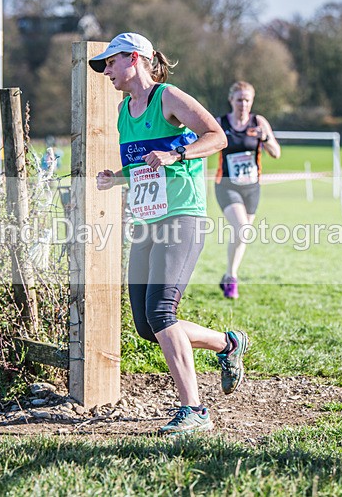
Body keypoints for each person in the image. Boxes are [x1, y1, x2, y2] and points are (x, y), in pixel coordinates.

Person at [90, 32, 248, 436]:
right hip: (146, 222)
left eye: (111, 62)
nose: (106, 71)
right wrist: (117, 177)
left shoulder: (168, 97)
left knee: (162, 313)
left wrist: (177, 153)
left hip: (182, 217)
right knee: (147, 326)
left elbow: (217, 136)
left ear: (135, 58)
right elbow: (145, 166)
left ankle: (194, 410)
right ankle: (228, 343)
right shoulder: (124, 112)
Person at [214, 81, 281, 299]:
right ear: (231, 100)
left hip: (252, 187)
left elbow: (276, 153)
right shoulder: (221, 123)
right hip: (226, 185)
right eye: (239, 99)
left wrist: (265, 138)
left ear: (252, 101)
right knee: (242, 228)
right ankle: (232, 278)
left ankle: (228, 275)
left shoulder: (258, 122)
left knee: (243, 234)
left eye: (247, 100)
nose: (243, 104)